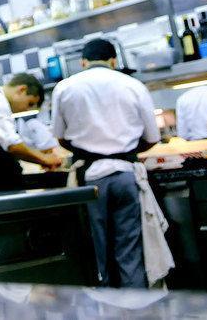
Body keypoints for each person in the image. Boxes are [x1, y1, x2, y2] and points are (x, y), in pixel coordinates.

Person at [51, 38, 160, 288]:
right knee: (130, 249)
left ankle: (103, 308)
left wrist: (90, 151)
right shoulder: (133, 85)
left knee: (95, 248)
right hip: (126, 175)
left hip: (88, 181)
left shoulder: (65, 87)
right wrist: (123, 151)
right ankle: (137, 310)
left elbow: (60, 137)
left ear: (82, 62)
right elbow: (152, 138)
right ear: (114, 61)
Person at [0, 73, 62, 192]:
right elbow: (12, 145)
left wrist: (39, 158)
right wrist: (45, 159)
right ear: (22, 90)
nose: (27, 109)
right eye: (30, 103)